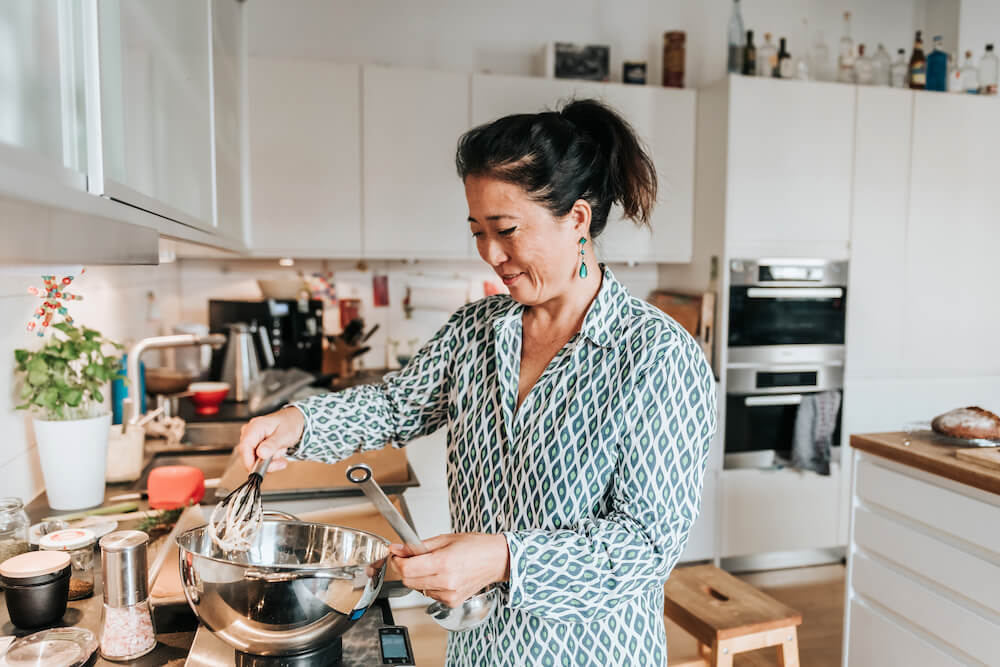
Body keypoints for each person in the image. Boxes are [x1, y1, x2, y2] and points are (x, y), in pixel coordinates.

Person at [236, 98, 717, 666]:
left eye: (507, 230)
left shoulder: (658, 357)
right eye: (477, 232)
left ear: (578, 219)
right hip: (480, 647)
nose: (492, 254)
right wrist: (298, 421)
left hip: (587, 652)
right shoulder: (476, 331)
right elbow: (395, 407)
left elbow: (643, 548)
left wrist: (503, 559)